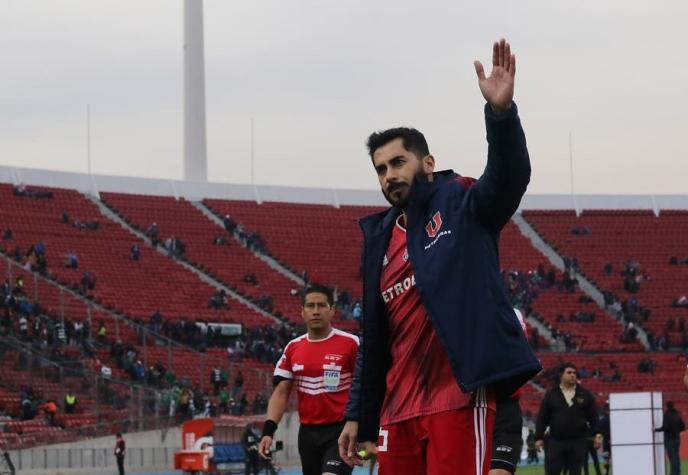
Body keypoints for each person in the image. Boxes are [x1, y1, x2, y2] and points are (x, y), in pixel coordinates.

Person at [337, 38, 541, 475]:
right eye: (381, 168)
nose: (389, 175)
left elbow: (508, 180)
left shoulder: (460, 202)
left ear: (427, 162)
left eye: (398, 162)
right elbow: (374, 338)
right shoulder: (378, 240)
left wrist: (501, 116)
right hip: (397, 411)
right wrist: (358, 413)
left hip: (459, 400)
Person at [259, 284, 359, 475]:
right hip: (307, 434)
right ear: (302, 312)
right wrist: (268, 431)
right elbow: (281, 392)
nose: (316, 311)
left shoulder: (351, 344)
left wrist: (361, 423)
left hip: (341, 430)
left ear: (332, 311)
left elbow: (365, 386)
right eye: (310, 306)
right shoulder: (293, 348)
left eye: (321, 305)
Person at [534, 363, 603, 475]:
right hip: (556, 442)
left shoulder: (585, 394)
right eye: (569, 372)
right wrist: (538, 437)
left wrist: (598, 434)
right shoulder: (551, 395)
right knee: (552, 472)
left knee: (575, 472)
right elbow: (542, 418)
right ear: (561, 375)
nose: (573, 375)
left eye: (574, 373)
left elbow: (594, 417)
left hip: (578, 442)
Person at [655, 401, 685, 475]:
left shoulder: (667, 415)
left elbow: (665, 427)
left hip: (670, 439)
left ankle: (673, 473)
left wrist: (655, 430)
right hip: (677, 439)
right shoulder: (677, 415)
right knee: (676, 457)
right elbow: (683, 426)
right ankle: (677, 472)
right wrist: (676, 431)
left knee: (672, 458)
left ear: (666, 407)